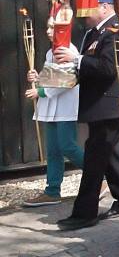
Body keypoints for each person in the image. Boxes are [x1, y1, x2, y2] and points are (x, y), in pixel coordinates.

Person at [54, 0, 119, 231]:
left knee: (94, 161)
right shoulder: (93, 33)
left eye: (88, 7)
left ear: (104, 7)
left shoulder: (114, 31)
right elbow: (86, 67)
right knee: (110, 156)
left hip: (108, 105)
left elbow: (109, 68)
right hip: (97, 105)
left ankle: (85, 213)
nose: (84, 13)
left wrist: (77, 59)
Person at [23, 25, 82, 207]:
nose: (48, 31)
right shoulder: (51, 52)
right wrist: (37, 78)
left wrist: (41, 91)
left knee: (68, 146)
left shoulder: (69, 51)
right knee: (53, 150)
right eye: (48, 27)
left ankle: (102, 174)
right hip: (50, 109)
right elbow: (50, 78)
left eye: (53, 27)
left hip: (65, 108)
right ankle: (52, 191)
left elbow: (68, 80)